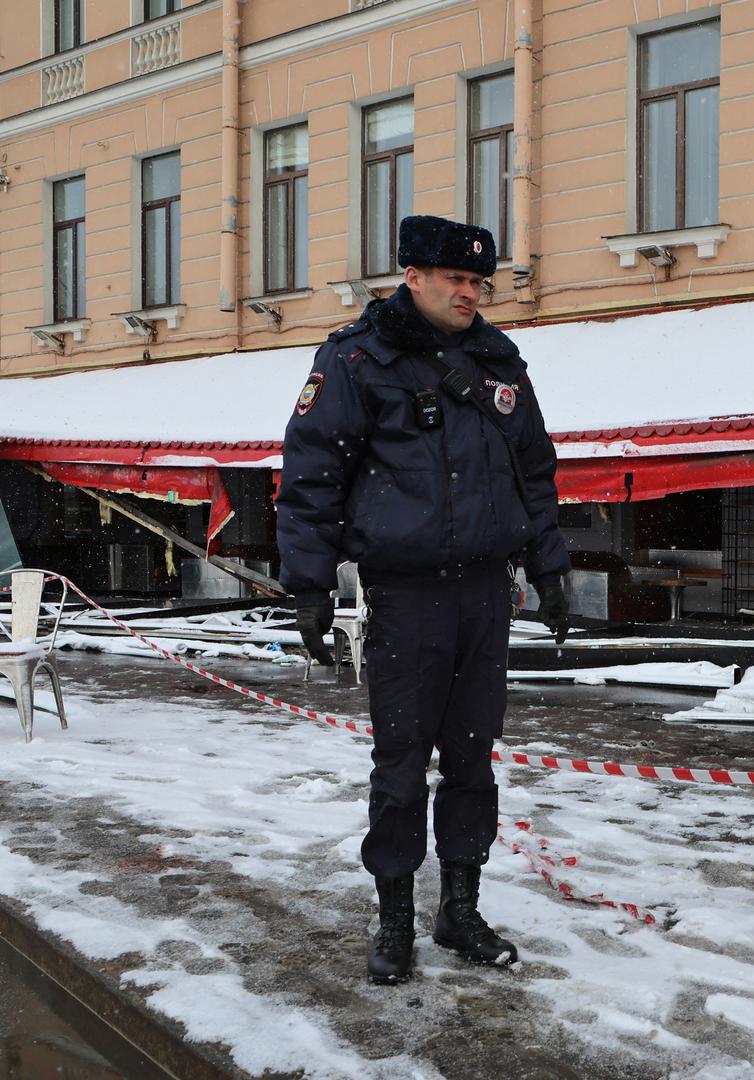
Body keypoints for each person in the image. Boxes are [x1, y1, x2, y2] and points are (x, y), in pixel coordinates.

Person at [275, 215, 571, 984]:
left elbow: (533, 470)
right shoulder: (356, 359)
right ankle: (395, 920)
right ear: (413, 276)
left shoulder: (499, 361)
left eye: (479, 282)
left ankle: (459, 911)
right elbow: (312, 476)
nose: (470, 293)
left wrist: (551, 570)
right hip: (405, 595)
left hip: (483, 593)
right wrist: (308, 584)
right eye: (456, 280)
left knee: (472, 760)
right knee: (401, 764)